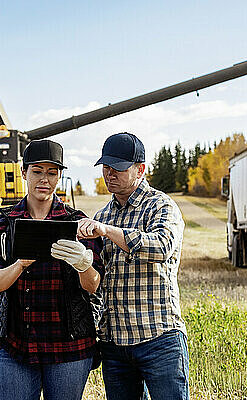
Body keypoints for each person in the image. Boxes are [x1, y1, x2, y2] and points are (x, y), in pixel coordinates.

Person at [0, 139, 104, 400]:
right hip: (17, 347)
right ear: (24, 173)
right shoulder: (0, 227)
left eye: (52, 172)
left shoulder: (78, 225)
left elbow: (93, 285)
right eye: (37, 171)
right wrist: (21, 263)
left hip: (69, 346)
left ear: (59, 176)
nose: (44, 179)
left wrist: (84, 264)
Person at [77, 132, 189, 400]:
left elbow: (161, 246)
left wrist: (108, 231)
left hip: (158, 338)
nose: (109, 174)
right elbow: (97, 280)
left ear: (140, 169)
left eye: (117, 168)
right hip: (115, 345)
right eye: (105, 167)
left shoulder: (161, 206)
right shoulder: (102, 214)